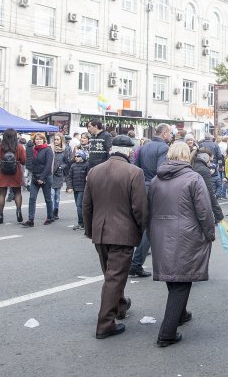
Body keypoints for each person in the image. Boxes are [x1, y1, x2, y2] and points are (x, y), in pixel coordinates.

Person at [148, 142, 215, 347]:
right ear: (188, 156)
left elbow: (149, 207)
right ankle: (167, 333)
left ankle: (180, 314)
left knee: (174, 276)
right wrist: (210, 233)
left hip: (160, 232)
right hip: (186, 233)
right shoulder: (194, 178)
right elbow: (204, 210)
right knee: (182, 281)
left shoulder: (156, 180)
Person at [83, 135, 146, 340]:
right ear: (129, 152)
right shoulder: (134, 172)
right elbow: (139, 208)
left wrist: (91, 230)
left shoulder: (95, 171)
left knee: (111, 275)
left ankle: (119, 306)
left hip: (100, 233)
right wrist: (141, 228)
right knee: (115, 277)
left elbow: (86, 205)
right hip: (123, 233)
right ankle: (105, 323)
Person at [130, 123, 171, 278]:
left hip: (142, 187)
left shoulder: (144, 147)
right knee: (152, 227)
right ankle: (137, 263)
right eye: (170, 133)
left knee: (146, 225)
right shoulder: (164, 148)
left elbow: (135, 168)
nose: (171, 136)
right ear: (165, 133)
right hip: (155, 189)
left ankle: (137, 263)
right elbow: (162, 171)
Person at [0, 129, 27, 224]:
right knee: (17, 193)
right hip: (16, 172)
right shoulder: (19, 147)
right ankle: (18, 212)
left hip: (3, 172)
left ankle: (0, 215)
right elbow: (23, 160)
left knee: (2, 194)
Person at [22, 133, 54, 227]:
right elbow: (31, 163)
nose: (38, 140)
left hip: (46, 177)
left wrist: (42, 178)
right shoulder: (33, 150)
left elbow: (48, 165)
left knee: (48, 198)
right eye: (37, 139)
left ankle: (50, 217)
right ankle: (31, 220)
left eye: (40, 139)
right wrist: (32, 175)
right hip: (35, 177)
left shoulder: (48, 150)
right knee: (32, 198)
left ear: (44, 140)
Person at [191, 147, 224, 224]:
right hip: (200, 205)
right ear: (205, 157)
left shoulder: (193, 165)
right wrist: (219, 215)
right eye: (210, 158)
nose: (211, 161)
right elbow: (209, 192)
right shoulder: (203, 170)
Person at [66, 150, 89, 230]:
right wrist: (69, 187)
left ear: (82, 156)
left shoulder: (87, 165)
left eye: (78, 156)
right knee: (78, 206)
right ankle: (82, 223)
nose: (76, 158)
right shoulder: (73, 165)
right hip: (76, 188)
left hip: (83, 189)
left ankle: (82, 223)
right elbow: (69, 177)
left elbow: (88, 177)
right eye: (75, 156)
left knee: (79, 206)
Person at [50, 133, 71, 219]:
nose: (56, 141)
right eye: (55, 139)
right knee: (51, 194)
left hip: (58, 174)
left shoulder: (65, 149)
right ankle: (50, 212)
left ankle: (56, 211)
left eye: (57, 139)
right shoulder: (50, 148)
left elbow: (66, 162)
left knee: (57, 195)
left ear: (61, 140)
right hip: (50, 174)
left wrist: (61, 167)